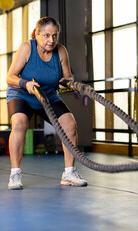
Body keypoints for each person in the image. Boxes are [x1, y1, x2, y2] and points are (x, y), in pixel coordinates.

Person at [6, 16, 87, 190]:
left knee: (70, 125)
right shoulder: (27, 48)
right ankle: (15, 174)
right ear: (37, 34)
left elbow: (66, 78)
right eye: (46, 35)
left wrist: (69, 84)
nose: (51, 40)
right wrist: (25, 83)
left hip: (48, 96)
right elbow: (10, 77)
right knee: (20, 123)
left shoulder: (61, 51)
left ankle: (69, 173)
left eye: (55, 36)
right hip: (22, 95)